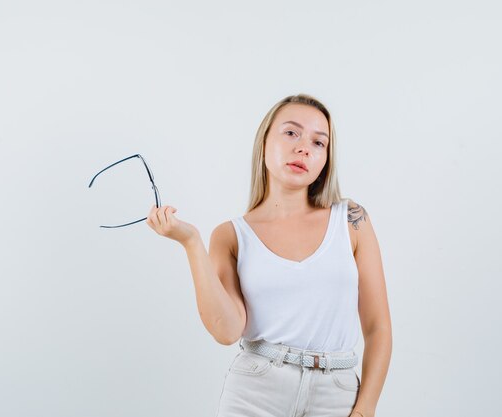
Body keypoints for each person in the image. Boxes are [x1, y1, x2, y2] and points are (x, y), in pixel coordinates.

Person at [145, 93, 392, 417]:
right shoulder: (230, 235)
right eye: (291, 133)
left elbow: (378, 328)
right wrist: (191, 243)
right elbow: (227, 330)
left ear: (326, 160)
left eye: (319, 142)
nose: (304, 147)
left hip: (336, 394)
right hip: (255, 393)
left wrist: (365, 409)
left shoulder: (351, 219)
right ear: (264, 142)